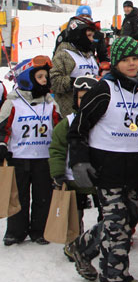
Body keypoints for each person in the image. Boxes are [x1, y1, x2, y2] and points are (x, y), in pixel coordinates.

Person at [67, 36, 138, 282]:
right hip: (106, 168)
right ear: (115, 62)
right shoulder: (103, 89)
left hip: (134, 168)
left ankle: (82, 247)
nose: (131, 64)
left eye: (135, 59)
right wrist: (80, 160)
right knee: (117, 225)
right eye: (125, 60)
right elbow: (78, 127)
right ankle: (114, 277)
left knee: (126, 219)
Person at [0, 56, 59, 246]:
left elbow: (58, 128)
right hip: (18, 157)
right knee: (19, 195)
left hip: (44, 158)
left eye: (46, 76)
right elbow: (3, 128)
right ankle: (16, 231)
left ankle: (40, 230)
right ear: (27, 78)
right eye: (40, 76)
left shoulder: (50, 103)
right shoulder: (13, 103)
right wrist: (2, 144)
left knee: (44, 195)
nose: (44, 80)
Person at [50, 76, 99, 237]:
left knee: (106, 211)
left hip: (99, 177)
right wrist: (58, 174)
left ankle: (101, 238)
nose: (84, 101)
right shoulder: (68, 123)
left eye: (89, 98)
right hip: (73, 178)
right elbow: (57, 149)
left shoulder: (104, 121)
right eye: (80, 98)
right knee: (73, 213)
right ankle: (73, 240)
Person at [50, 16, 100, 117]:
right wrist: (75, 82)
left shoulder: (90, 55)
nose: (91, 40)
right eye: (89, 36)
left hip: (91, 111)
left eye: (92, 36)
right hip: (70, 113)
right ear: (79, 35)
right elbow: (54, 81)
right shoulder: (64, 55)